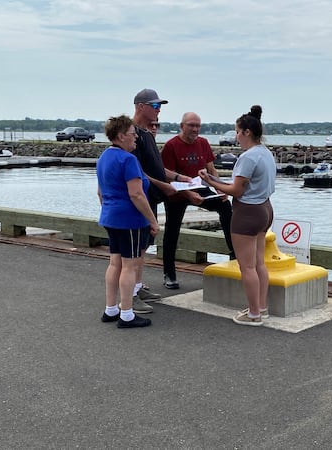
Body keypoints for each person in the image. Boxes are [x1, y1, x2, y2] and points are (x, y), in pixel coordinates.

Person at [198, 105, 276, 326]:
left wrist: (210, 181)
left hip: (247, 212)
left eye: (237, 131)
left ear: (246, 132)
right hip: (265, 209)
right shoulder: (266, 153)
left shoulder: (248, 157)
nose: (236, 136)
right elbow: (242, 186)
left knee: (247, 266)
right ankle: (261, 307)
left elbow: (237, 191)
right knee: (260, 263)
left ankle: (253, 314)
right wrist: (222, 186)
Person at [130, 89, 203, 311]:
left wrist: (181, 178)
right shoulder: (133, 135)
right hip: (140, 197)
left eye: (159, 106)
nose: (158, 109)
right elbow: (138, 173)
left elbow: (158, 168)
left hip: (152, 197)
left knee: (143, 247)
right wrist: (165, 186)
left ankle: (138, 286)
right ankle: (129, 296)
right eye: (154, 105)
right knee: (133, 252)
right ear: (140, 106)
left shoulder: (147, 134)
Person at [96, 115, 159, 328]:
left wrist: (109, 209)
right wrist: (153, 221)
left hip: (110, 217)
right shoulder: (128, 160)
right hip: (129, 220)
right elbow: (137, 195)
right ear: (121, 136)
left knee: (115, 263)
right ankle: (127, 314)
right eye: (133, 134)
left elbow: (100, 192)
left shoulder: (104, 157)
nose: (136, 139)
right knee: (130, 267)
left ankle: (111, 308)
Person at [160, 112, 234, 289]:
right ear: (182, 126)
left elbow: (211, 169)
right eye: (191, 125)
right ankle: (169, 273)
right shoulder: (171, 146)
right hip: (177, 192)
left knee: (225, 205)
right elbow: (167, 177)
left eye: (197, 126)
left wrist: (220, 188)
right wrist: (188, 195)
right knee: (172, 230)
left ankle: (234, 253)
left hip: (199, 186)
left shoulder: (203, 143)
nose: (195, 129)